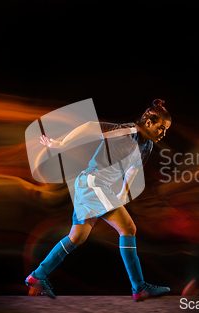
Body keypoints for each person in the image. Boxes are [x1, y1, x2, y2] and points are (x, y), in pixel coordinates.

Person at [25, 99, 172, 302]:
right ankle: (139, 288)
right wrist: (61, 143)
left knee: (77, 237)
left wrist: (122, 193)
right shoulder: (126, 131)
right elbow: (90, 127)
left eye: (166, 130)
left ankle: (38, 276)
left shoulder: (145, 145)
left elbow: (133, 169)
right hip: (92, 183)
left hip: (89, 185)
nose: (163, 133)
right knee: (128, 228)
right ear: (148, 123)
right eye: (161, 128)